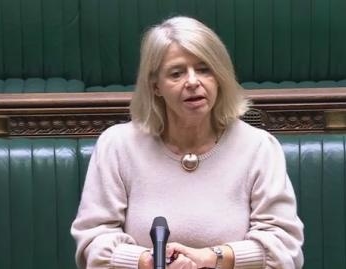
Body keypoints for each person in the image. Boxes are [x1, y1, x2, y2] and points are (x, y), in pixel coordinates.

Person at [71, 16, 304, 269]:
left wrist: (211, 257)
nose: (193, 82)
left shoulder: (259, 147)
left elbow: (283, 246)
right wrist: (145, 262)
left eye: (204, 69)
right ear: (155, 86)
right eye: (176, 73)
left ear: (220, 77)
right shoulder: (117, 145)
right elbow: (93, 240)